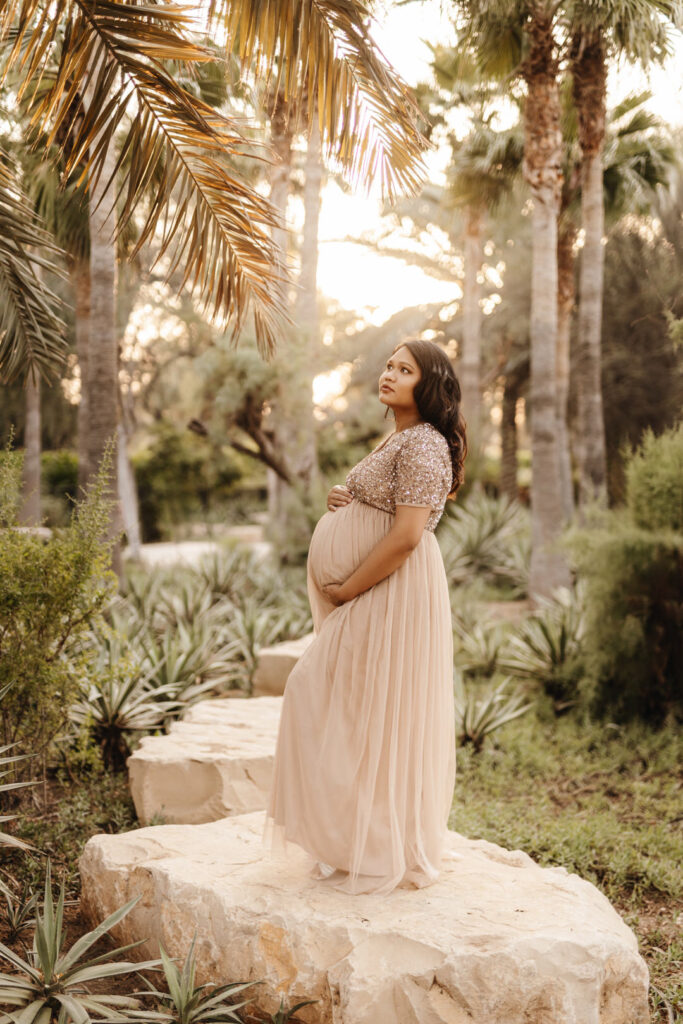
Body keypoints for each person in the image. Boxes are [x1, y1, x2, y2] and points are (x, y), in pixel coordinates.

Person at [262, 339, 467, 895]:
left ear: (427, 386)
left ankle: (379, 844)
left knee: (354, 702)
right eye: (389, 365)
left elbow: (405, 535)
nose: (389, 375)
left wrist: (349, 588)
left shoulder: (424, 442)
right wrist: (346, 497)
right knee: (355, 706)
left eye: (405, 370)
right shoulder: (400, 437)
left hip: (389, 591)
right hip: (377, 591)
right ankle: (355, 837)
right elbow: (384, 506)